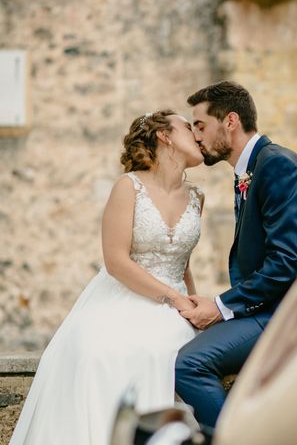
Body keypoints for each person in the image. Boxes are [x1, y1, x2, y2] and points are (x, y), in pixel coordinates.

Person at [10, 110, 205, 445]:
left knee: (173, 351)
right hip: (125, 296)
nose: (198, 134)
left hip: (175, 305)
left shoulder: (197, 197)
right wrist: (172, 298)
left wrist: (194, 303)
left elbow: (181, 262)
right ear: (165, 136)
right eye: (188, 126)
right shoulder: (128, 187)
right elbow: (116, 261)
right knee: (98, 351)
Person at [174, 80, 297, 428]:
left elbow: (285, 263)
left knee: (188, 364)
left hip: (286, 311)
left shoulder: (276, 166)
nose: (196, 136)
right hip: (265, 307)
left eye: (200, 125)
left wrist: (220, 306)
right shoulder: (252, 168)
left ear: (230, 121)